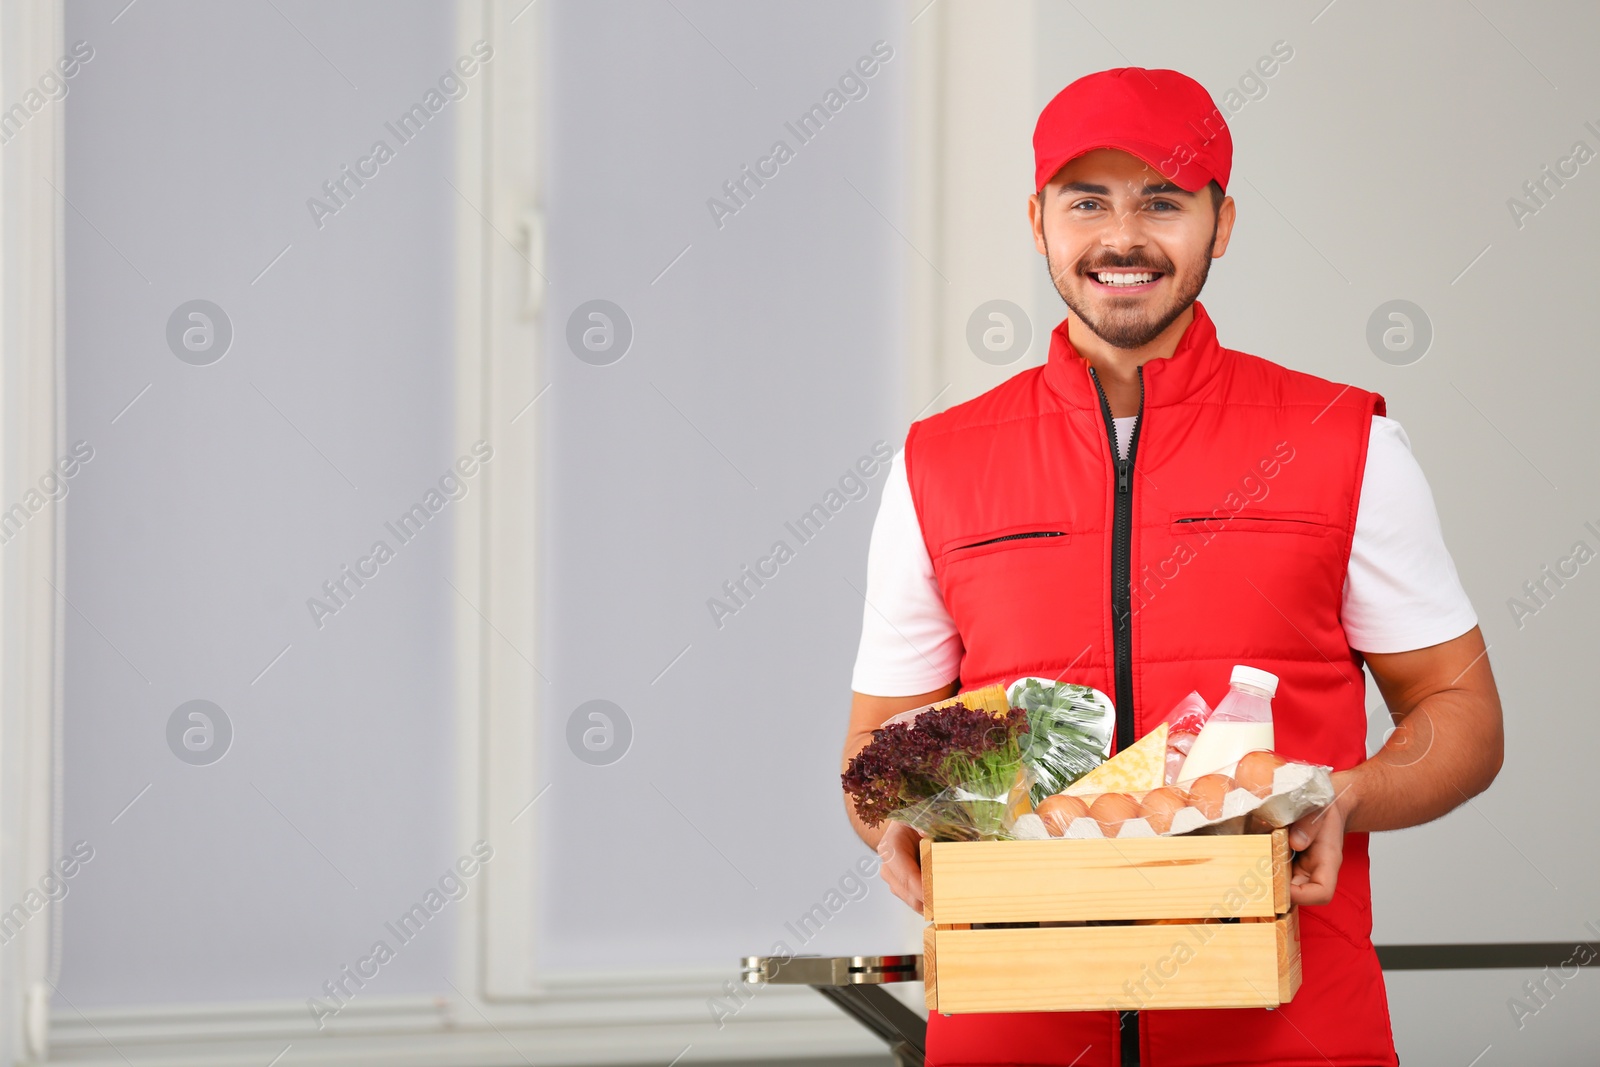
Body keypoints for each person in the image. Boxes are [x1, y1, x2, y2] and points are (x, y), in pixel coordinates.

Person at [840, 67, 1504, 1067]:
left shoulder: (1342, 442)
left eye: (1162, 200)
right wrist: (895, 817)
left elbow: (1463, 717)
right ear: (1038, 221)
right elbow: (873, 752)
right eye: (1086, 202)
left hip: (1289, 1026)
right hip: (1012, 1028)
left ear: (1220, 223)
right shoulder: (938, 463)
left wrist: (1346, 796)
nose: (1122, 237)